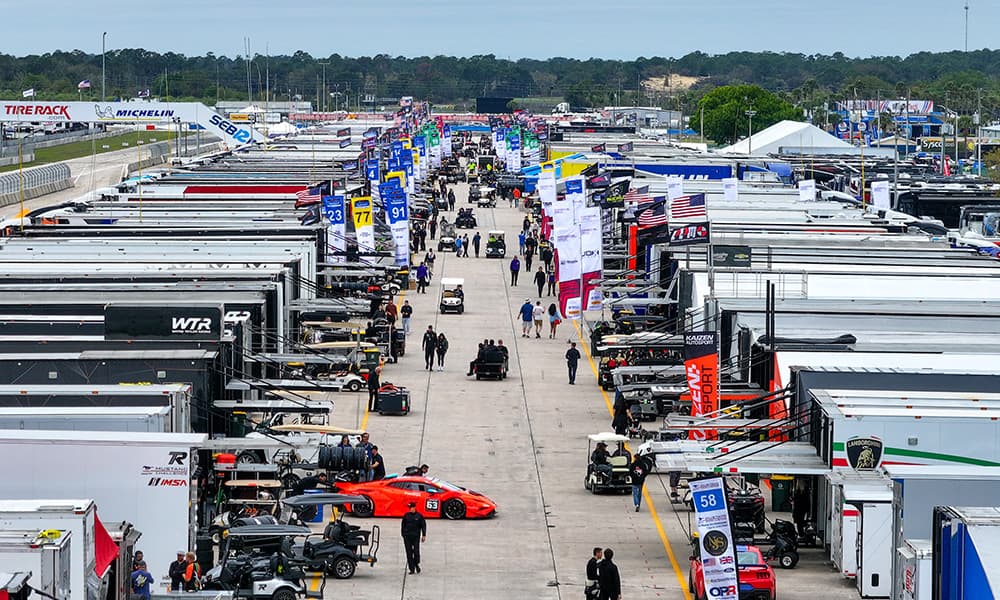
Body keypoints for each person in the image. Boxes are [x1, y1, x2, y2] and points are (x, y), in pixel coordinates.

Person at [401, 502, 427, 575]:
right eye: (409, 508)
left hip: (416, 537)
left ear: (414, 507)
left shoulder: (419, 516)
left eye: (411, 508)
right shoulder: (406, 515)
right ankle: (412, 569)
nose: (410, 509)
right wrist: (403, 534)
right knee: (409, 553)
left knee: (416, 552)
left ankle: (416, 564)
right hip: (407, 537)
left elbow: (423, 525)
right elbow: (403, 525)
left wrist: (424, 535)